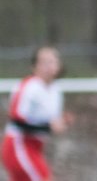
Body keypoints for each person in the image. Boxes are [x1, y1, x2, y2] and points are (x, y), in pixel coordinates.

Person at [3, 47, 69, 181]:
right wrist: (48, 128)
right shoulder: (29, 87)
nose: (49, 66)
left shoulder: (55, 90)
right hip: (19, 145)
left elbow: (50, 122)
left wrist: (62, 122)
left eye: (52, 61)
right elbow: (17, 122)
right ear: (34, 67)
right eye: (44, 62)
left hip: (36, 147)